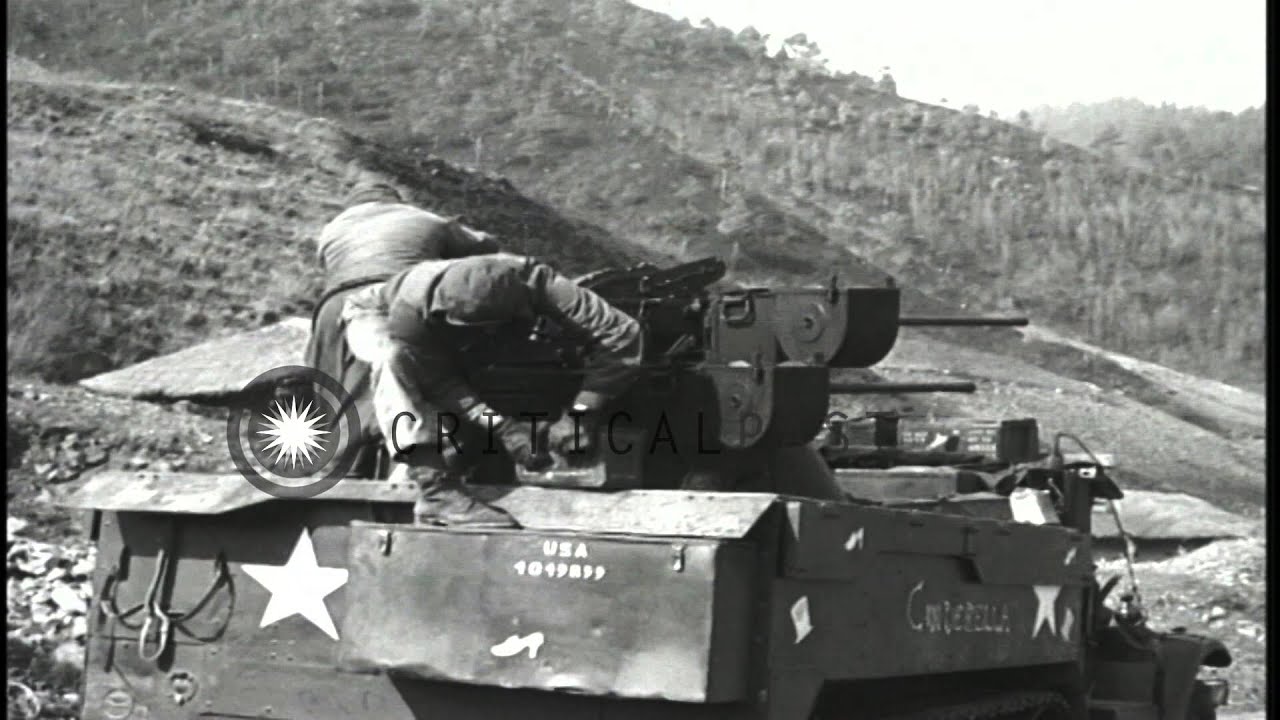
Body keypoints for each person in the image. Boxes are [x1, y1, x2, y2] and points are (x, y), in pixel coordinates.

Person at [342, 253, 644, 528]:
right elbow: (440, 381)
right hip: (376, 312)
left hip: (459, 327)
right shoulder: (411, 312)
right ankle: (435, 492)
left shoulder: (538, 281)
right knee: (394, 362)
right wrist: (501, 427)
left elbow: (622, 333)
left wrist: (580, 414)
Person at [304, 178, 501, 478]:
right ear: (395, 201)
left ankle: (342, 470)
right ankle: (418, 470)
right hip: (394, 298)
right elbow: (485, 246)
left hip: (332, 310)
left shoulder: (333, 229)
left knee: (335, 391)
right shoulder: (422, 218)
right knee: (411, 382)